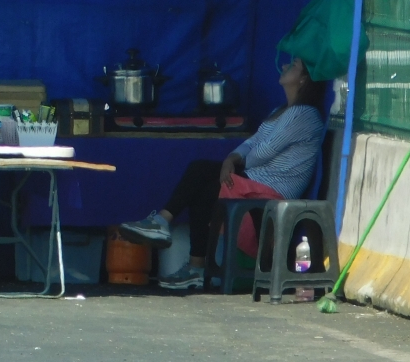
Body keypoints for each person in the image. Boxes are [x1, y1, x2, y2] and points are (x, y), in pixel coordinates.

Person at [119, 57, 327, 290]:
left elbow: (265, 151)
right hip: (255, 178)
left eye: (294, 66)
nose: (286, 66)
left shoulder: (305, 114)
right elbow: (252, 142)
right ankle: (194, 267)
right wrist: (231, 159)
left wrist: (235, 163)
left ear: (303, 79)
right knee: (203, 191)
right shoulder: (279, 112)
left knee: (199, 170)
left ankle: (162, 222)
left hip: (274, 187)